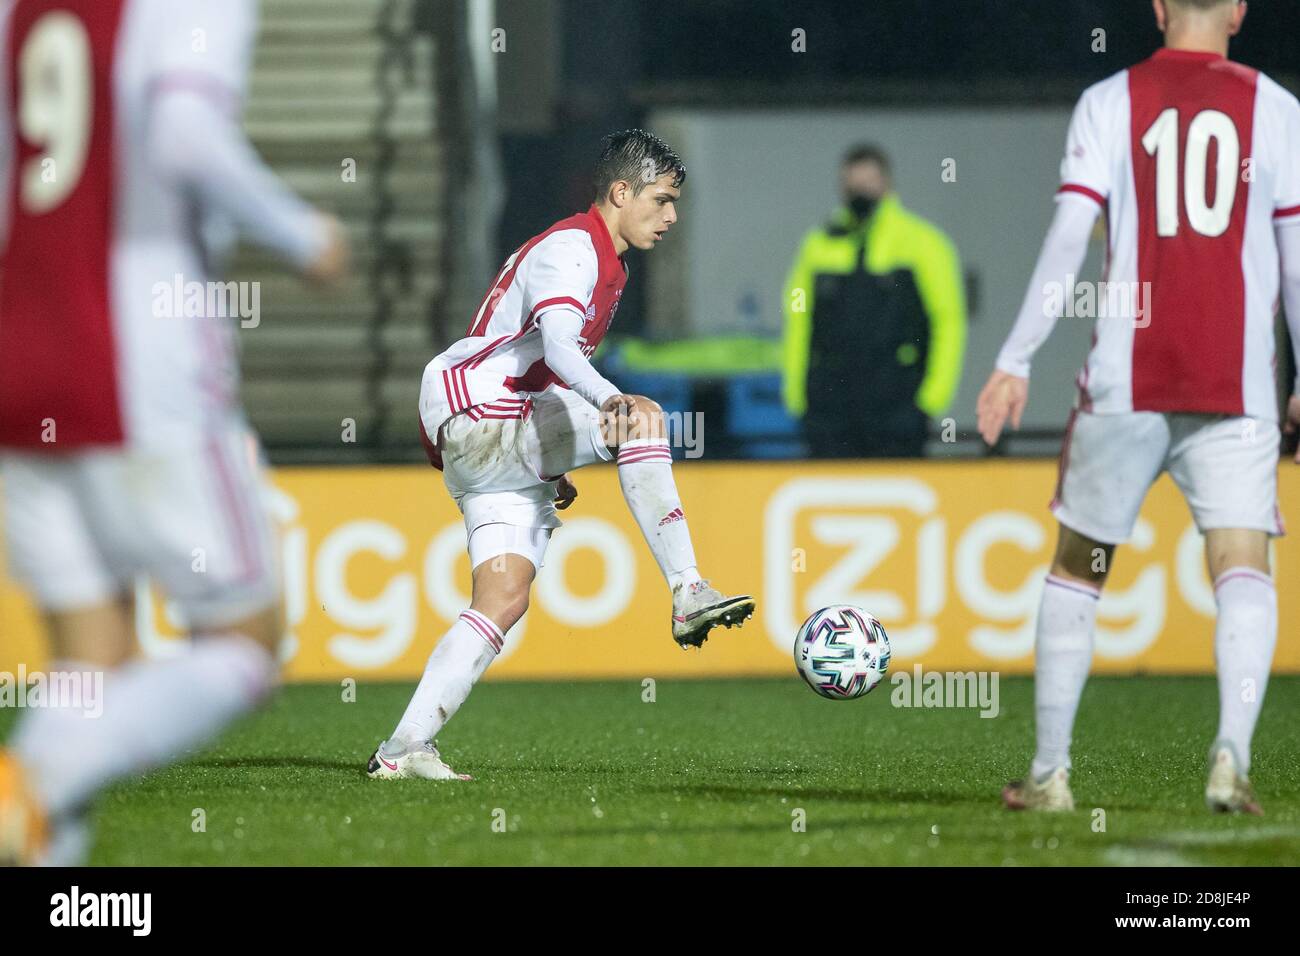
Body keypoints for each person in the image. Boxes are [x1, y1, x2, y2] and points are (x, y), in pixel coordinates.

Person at [0, 0, 348, 865]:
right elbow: (183, 131)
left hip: (17, 348)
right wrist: (300, 234)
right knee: (244, 646)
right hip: (132, 360)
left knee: (92, 659)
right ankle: (26, 786)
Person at [978, 0, 1300, 814]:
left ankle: (1050, 773)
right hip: (1237, 386)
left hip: (1127, 376)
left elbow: (1065, 242)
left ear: (1157, 8)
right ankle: (1230, 751)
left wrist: (1015, 358)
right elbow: (1298, 263)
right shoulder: (1278, 109)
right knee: (1241, 564)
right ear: (1238, 10)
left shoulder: (1109, 100)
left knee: (1079, 566)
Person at [367, 130, 755, 781]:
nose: (672, 216)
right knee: (645, 419)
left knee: (503, 597)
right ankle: (688, 590)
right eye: (661, 200)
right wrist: (609, 403)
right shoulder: (575, 248)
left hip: (486, 431)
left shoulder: (604, 263)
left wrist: (553, 453)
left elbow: (541, 364)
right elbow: (556, 347)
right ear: (620, 191)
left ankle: (402, 749)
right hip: (475, 407)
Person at [782, 144, 967, 458]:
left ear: (887, 184)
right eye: (852, 183)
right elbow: (798, 320)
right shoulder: (819, 245)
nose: (860, 191)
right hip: (831, 406)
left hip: (897, 404)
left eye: (868, 182)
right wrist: (797, 397)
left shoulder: (922, 243)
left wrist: (930, 401)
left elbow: (948, 321)